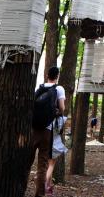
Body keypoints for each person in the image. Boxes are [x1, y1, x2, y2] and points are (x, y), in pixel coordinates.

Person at [32, 66, 66, 197]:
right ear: (57, 76)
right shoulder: (59, 88)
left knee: (27, 160)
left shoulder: (39, 88)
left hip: (34, 128)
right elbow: (62, 108)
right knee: (43, 164)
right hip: (48, 130)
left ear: (47, 75)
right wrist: (56, 112)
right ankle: (39, 194)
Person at [44, 114, 69, 196]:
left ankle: (48, 186)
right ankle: (45, 185)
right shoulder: (61, 119)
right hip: (54, 144)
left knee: (49, 166)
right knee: (51, 166)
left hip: (47, 143)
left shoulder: (47, 118)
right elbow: (61, 131)